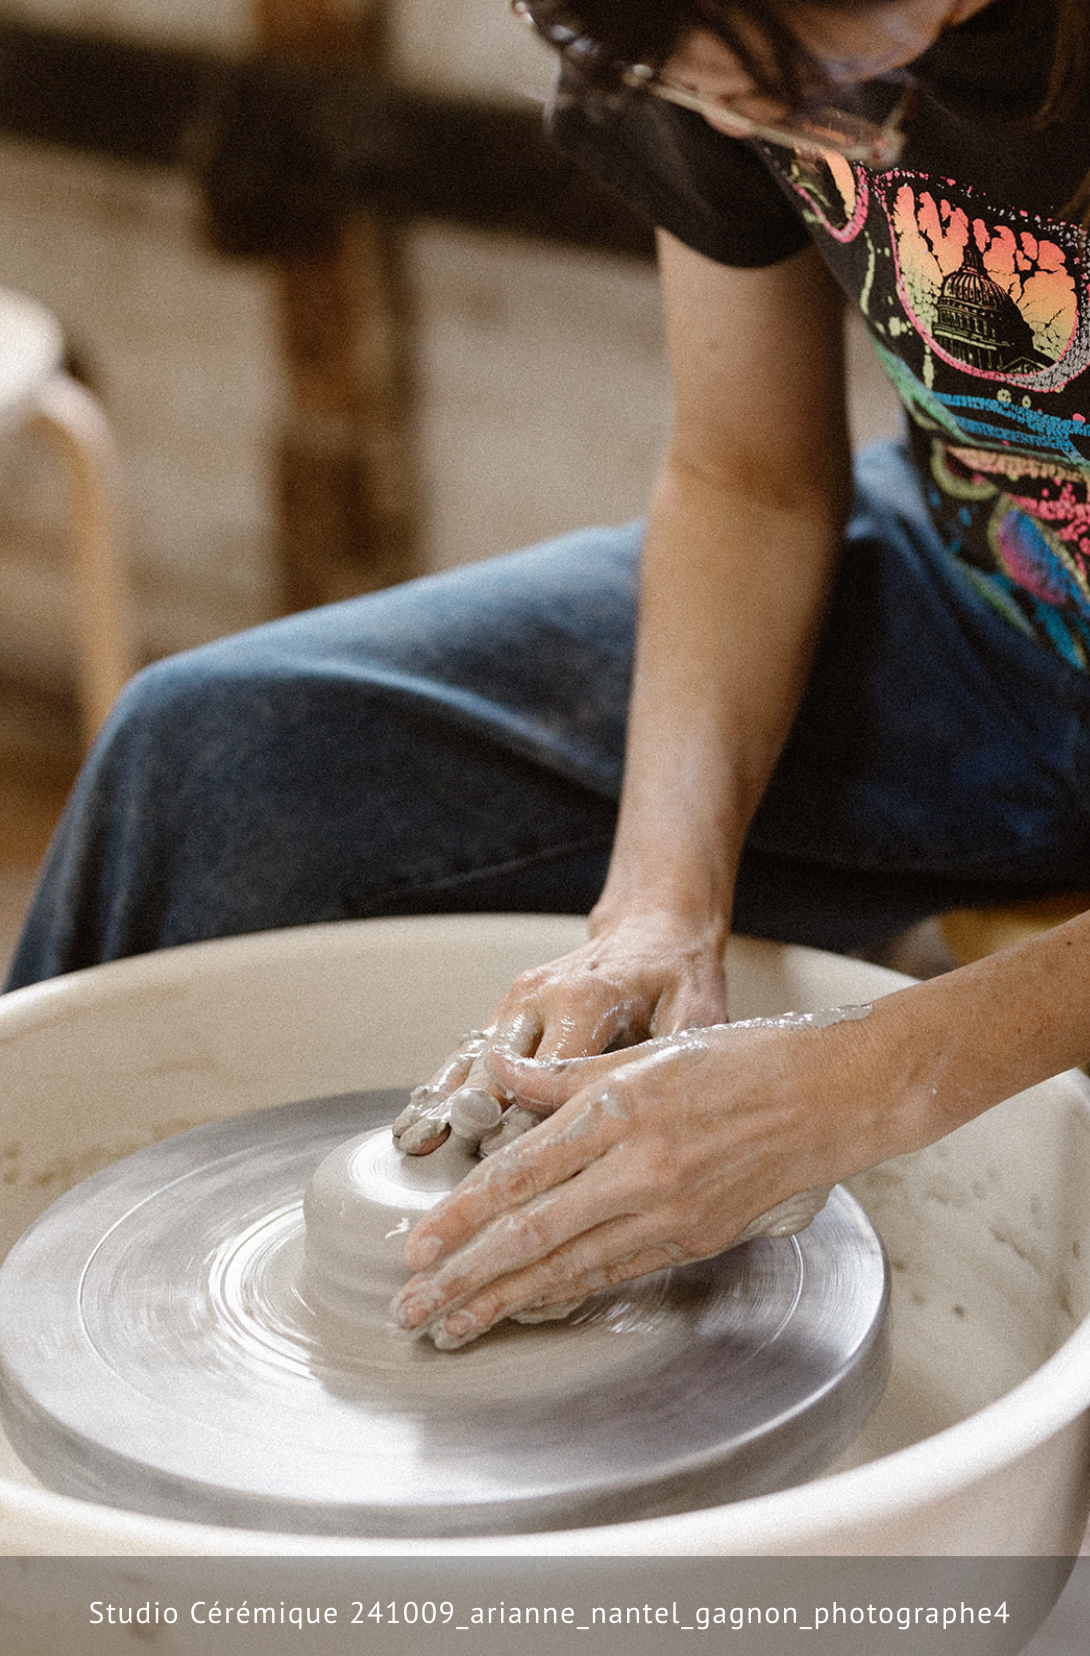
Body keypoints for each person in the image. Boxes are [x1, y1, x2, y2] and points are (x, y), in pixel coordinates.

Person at [9, 0, 1090, 1348]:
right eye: (696, 83)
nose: (750, 118)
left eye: (801, 68)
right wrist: (653, 910)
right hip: (992, 597)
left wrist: (862, 1083)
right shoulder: (702, 29)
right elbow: (745, 477)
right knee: (221, 757)